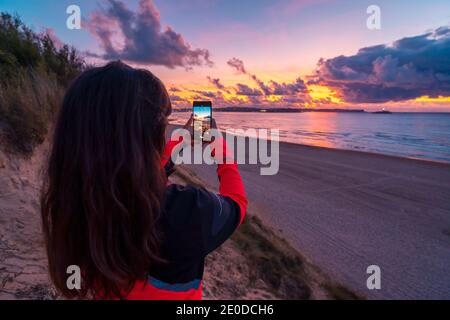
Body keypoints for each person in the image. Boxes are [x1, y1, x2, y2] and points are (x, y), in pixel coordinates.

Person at [40, 61, 247, 300]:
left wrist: (180, 141)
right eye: (163, 123)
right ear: (148, 134)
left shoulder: (76, 199)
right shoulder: (186, 211)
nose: (165, 129)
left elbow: (133, 171)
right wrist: (222, 151)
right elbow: (236, 203)